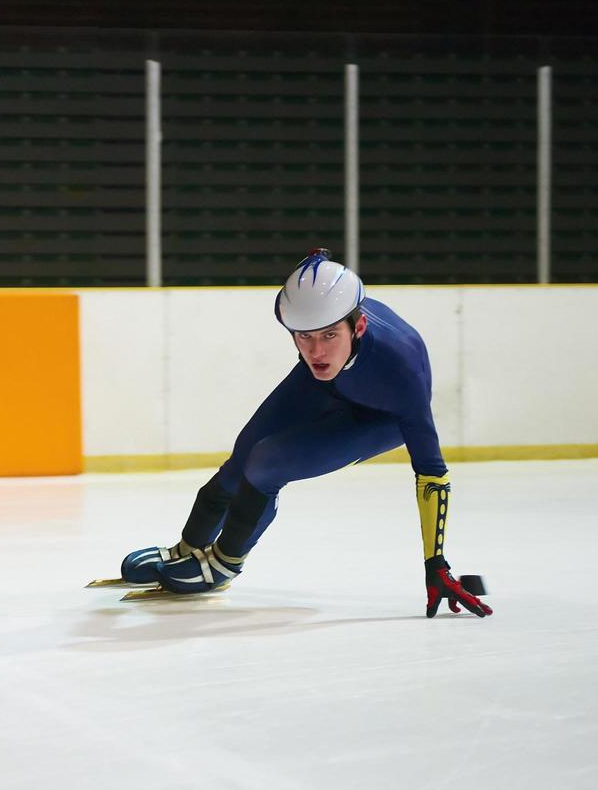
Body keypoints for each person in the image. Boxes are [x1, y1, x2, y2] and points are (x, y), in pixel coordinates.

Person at [121, 248, 492, 617]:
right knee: (242, 456)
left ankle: (224, 563)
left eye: (330, 335)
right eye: (303, 336)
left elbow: (432, 471)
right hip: (328, 385)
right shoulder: (307, 315)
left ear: (358, 326)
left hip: (380, 415)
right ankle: (189, 546)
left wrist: (436, 564)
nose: (316, 350)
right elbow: (315, 261)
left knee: (268, 462)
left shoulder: (401, 372)